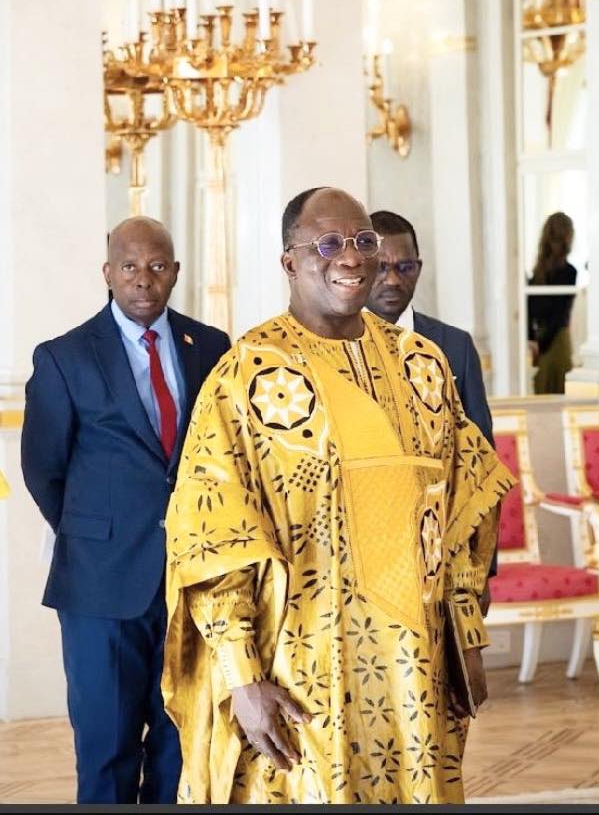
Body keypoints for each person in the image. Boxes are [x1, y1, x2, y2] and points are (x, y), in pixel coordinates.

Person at [161, 187, 515, 804]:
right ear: (289, 261)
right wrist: (241, 677)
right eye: (327, 244)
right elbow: (213, 538)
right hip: (300, 667)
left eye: (362, 242)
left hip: (415, 663)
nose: (349, 257)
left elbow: (464, 507)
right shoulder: (246, 373)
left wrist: (467, 634)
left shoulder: (423, 364)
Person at [21, 217, 230, 803]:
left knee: (179, 746)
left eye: (157, 266)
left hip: (191, 581)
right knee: (106, 749)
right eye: (131, 267)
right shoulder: (65, 357)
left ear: (176, 272)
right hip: (100, 586)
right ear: (108, 273)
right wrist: (100, 533)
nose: (144, 280)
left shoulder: (211, 347)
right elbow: (44, 468)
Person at [365, 210, 493, 447]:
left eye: (405, 267)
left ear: (418, 269)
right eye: (380, 268)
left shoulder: (456, 346)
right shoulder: (333, 345)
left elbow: (482, 448)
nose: (392, 280)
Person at [527, 212, 577, 394]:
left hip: (545, 339)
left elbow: (531, 309)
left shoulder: (538, 273)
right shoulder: (568, 272)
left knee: (544, 390)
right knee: (558, 391)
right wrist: (538, 341)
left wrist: (534, 340)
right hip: (555, 339)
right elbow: (560, 314)